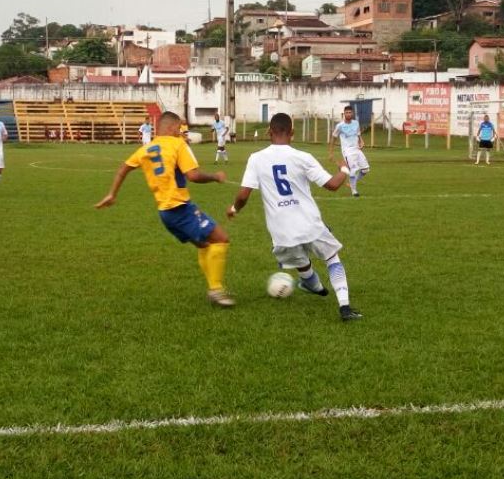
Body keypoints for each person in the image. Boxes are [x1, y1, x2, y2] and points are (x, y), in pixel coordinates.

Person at [228, 113, 363, 321]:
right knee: (331, 257)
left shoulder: (256, 158)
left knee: (300, 260)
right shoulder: (303, 157)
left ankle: (314, 286)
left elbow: (243, 195)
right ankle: (344, 307)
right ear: (292, 133)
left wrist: (234, 209)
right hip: (309, 223)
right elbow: (333, 185)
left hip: (280, 231)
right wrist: (344, 169)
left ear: (268, 132)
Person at [96, 111, 235, 307]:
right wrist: (215, 176)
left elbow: (123, 168)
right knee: (221, 238)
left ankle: (215, 286)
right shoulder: (178, 144)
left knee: (204, 245)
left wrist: (112, 194)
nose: (181, 132)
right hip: (180, 208)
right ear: (170, 128)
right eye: (178, 129)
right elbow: (193, 176)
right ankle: (216, 289)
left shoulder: (146, 148)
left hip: (165, 213)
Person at [328, 105, 370, 197]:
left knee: (365, 169)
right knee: (353, 170)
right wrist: (331, 153)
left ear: (352, 113)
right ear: (344, 114)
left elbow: (358, 134)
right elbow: (333, 138)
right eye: (346, 112)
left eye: (350, 112)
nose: (348, 114)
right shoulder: (340, 126)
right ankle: (354, 191)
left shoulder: (356, 123)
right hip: (347, 151)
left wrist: (361, 141)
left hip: (357, 149)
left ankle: (352, 183)